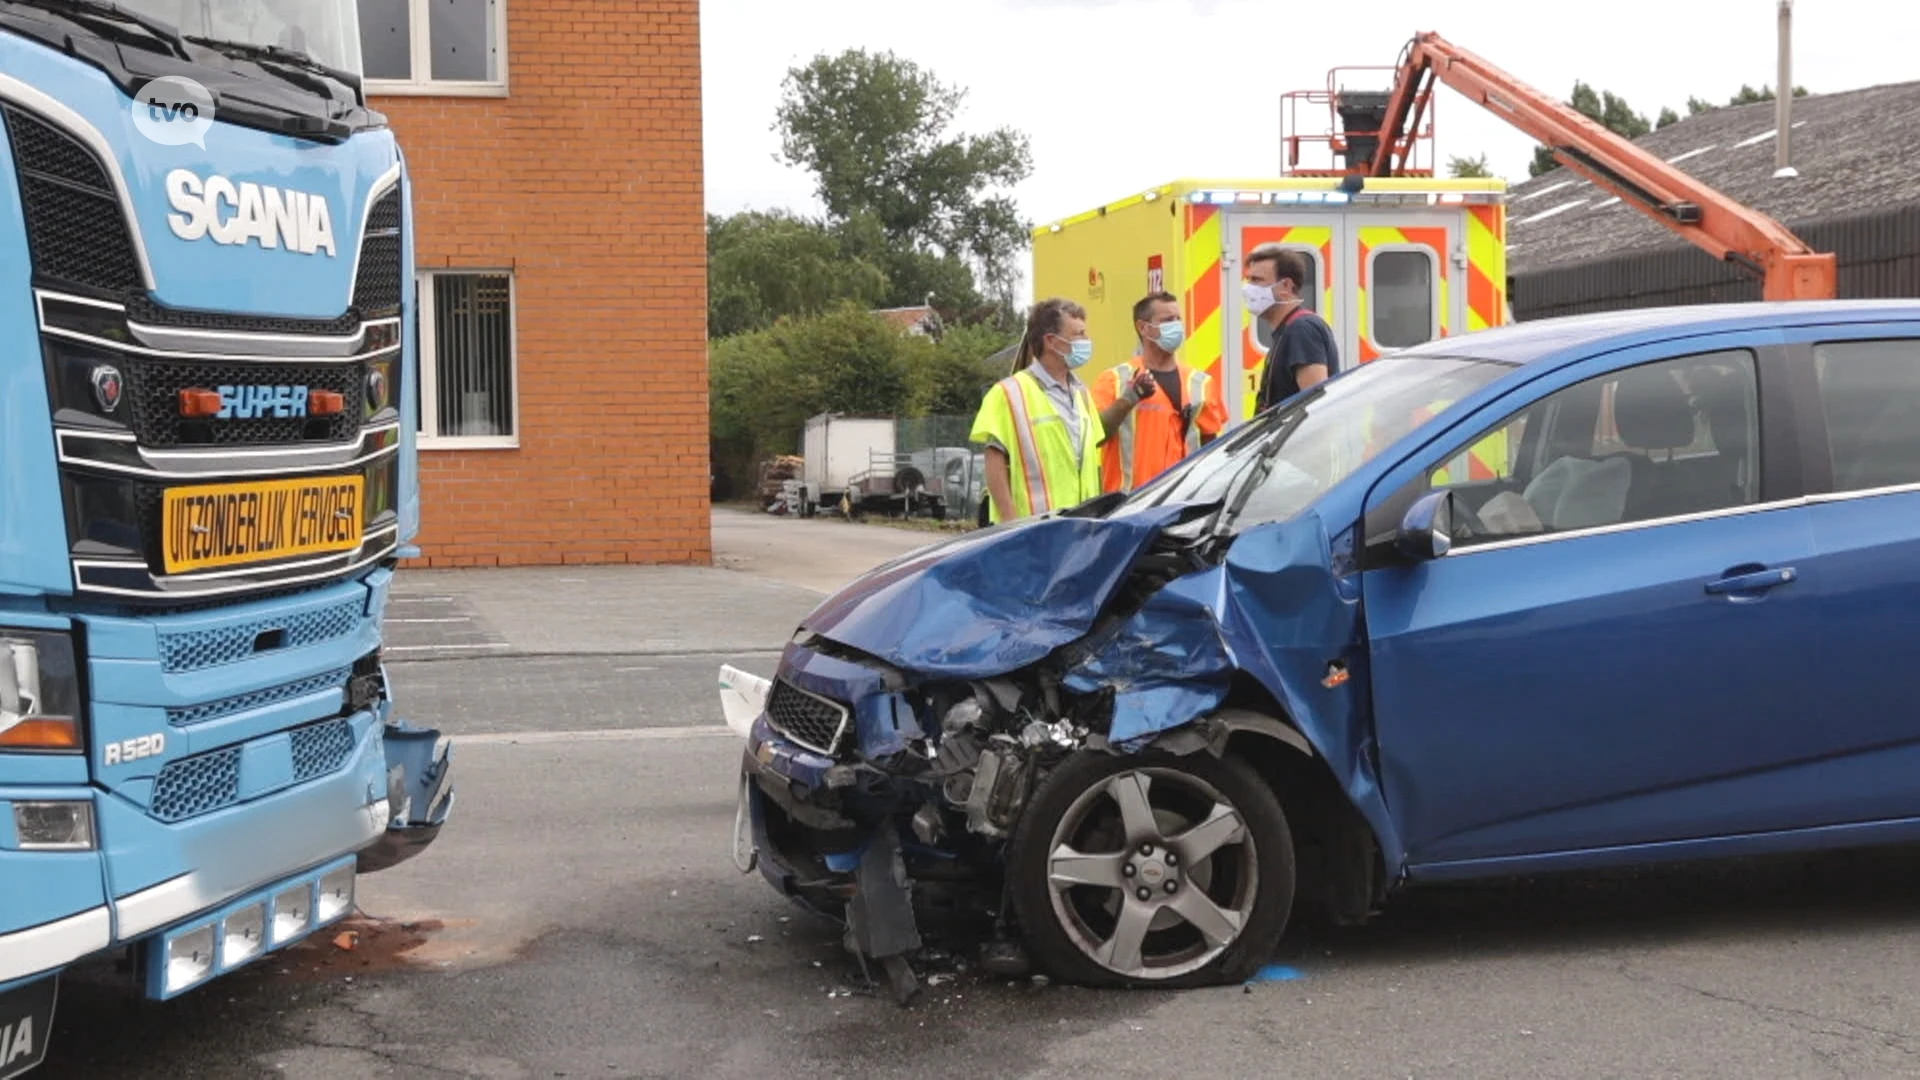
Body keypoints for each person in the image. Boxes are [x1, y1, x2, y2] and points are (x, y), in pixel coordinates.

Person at [969, 298, 1105, 524]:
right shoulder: (1008, 393)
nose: (1086, 341)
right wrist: (1009, 523)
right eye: (1078, 335)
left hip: (1082, 529)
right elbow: (994, 463)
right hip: (1033, 531)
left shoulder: (1082, 394)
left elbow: (1091, 464)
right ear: (1052, 341)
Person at [1090, 292, 1228, 493]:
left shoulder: (1201, 383)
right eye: (1167, 320)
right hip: (1128, 502)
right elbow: (1095, 435)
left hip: (1182, 499)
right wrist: (1129, 399)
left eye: (1178, 319)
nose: (1176, 325)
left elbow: (1211, 445)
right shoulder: (1115, 380)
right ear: (1143, 328)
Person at [1245, 244, 1340, 413]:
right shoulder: (1287, 330)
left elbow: (1316, 406)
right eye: (1249, 280)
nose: (1248, 289)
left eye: (1257, 280)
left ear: (1286, 286)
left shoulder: (1302, 331)